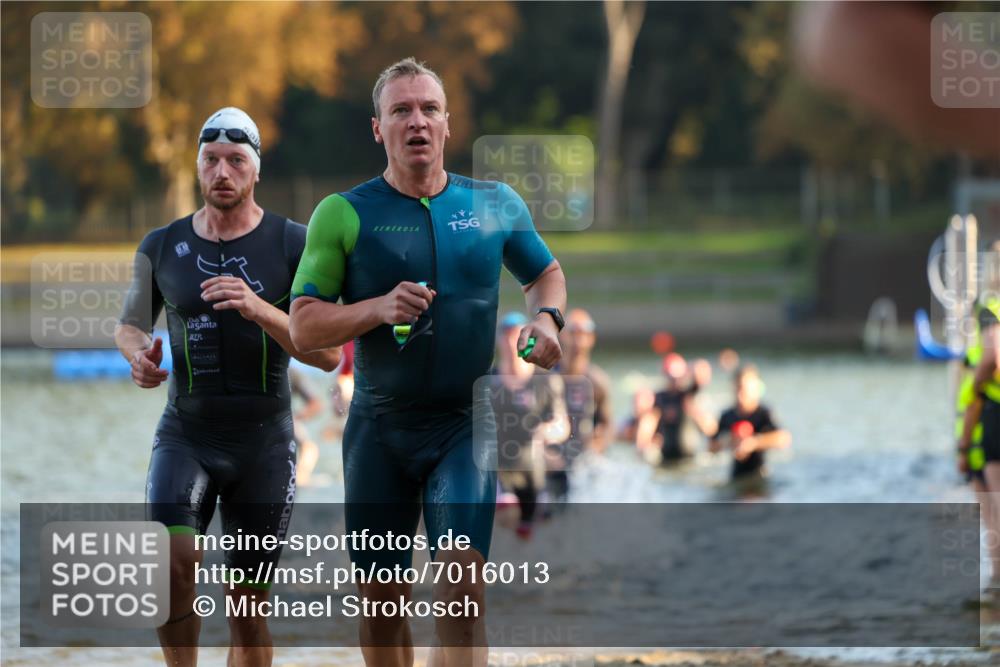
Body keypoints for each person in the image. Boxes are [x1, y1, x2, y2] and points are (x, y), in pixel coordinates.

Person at [287, 58, 567, 667]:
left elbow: (543, 274)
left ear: (448, 124)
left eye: (429, 109)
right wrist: (377, 309)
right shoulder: (343, 213)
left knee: (461, 592)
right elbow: (304, 324)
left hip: (464, 424)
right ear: (378, 128)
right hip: (379, 431)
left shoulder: (495, 205)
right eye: (401, 110)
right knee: (382, 612)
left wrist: (547, 321)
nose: (417, 121)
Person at [116, 107, 340, 667]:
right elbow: (129, 324)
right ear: (197, 166)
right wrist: (137, 357)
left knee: (246, 611)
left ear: (255, 170)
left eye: (236, 160)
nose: (223, 171)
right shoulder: (161, 245)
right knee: (171, 567)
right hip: (186, 434)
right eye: (211, 160)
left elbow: (329, 353)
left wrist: (257, 307)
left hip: (264, 444)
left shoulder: (294, 242)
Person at [491, 312, 570, 536]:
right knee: (507, 513)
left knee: (533, 529)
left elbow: (562, 425)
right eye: (506, 337)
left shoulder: (546, 380)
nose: (510, 342)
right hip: (499, 467)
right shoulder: (488, 379)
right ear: (498, 342)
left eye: (516, 336)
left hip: (534, 463)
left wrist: (546, 432)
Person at [958, 297, 1000, 599]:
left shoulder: (988, 311)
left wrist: (962, 447)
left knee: (993, 511)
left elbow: (992, 357)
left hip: (987, 431)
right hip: (982, 433)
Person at [549, 308, 611, 501]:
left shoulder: (598, 381)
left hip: (584, 464)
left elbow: (608, 424)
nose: (578, 341)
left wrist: (596, 448)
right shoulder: (546, 377)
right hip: (552, 463)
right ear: (562, 336)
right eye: (573, 334)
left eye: (583, 334)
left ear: (591, 339)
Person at [709, 365, 791, 491]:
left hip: (760, 476)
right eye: (737, 388)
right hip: (736, 476)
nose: (740, 394)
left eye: (744, 389)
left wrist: (753, 443)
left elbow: (783, 439)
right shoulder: (727, 415)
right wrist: (729, 442)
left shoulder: (763, 413)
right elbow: (711, 447)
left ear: (755, 389)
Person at [636, 353, 716, 465]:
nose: (675, 381)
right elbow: (648, 423)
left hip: (691, 458)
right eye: (671, 377)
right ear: (665, 375)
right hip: (666, 457)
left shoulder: (689, 397)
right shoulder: (659, 398)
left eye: (678, 377)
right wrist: (643, 445)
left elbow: (711, 429)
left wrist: (694, 412)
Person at [289, 365, 325, 487]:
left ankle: (298, 480)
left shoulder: (291, 372)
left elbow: (316, 404)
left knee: (309, 449)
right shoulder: (291, 371)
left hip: (284, 419)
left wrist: (295, 417)